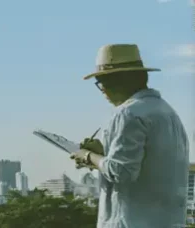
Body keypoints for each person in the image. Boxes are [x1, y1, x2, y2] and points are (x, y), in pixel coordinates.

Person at [69, 44, 190, 228]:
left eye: (101, 82)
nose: (102, 90)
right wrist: (104, 154)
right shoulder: (167, 113)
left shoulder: (128, 113)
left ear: (116, 81)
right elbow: (146, 165)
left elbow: (121, 171)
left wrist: (87, 156)